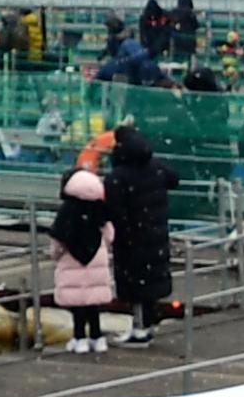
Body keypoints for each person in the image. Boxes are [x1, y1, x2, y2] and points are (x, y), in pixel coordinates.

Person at [105, 126, 175, 342]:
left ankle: (138, 328)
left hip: (130, 238)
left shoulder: (118, 176)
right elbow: (174, 178)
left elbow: (114, 209)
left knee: (133, 283)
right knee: (150, 280)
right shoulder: (156, 167)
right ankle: (147, 323)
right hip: (155, 233)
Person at [51, 157, 116, 353]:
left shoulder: (67, 211)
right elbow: (109, 233)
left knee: (77, 303)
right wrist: (102, 246)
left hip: (72, 259)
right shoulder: (99, 208)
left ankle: (79, 338)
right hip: (97, 257)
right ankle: (97, 337)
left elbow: (58, 239)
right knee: (93, 302)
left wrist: (56, 255)